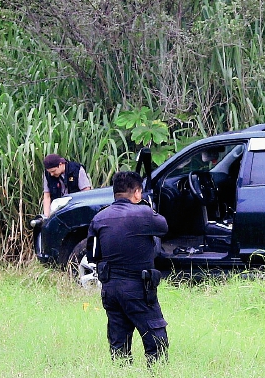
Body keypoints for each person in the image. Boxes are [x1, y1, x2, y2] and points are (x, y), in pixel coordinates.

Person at [87, 171, 170, 365]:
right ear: (137, 193)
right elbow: (163, 227)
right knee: (156, 339)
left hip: (110, 289)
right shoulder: (144, 213)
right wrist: (148, 208)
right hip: (137, 288)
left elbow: (92, 255)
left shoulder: (99, 218)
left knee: (118, 341)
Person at [42, 153, 92, 218]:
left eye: (53, 171)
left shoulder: (77, 170)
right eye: (49, 172)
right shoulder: (47, 174)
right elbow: (47, 196)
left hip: (76, 208)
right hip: (57, 210)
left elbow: (86, 192)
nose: (51, 174)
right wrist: (46, 217)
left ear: (60, 164)